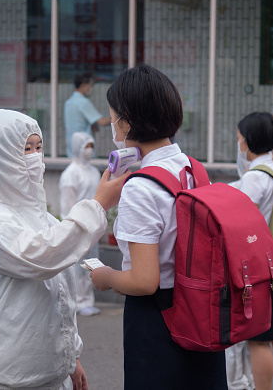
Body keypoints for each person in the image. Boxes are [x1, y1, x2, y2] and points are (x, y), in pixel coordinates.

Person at [0, 108, 127, 390]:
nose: (35, 156)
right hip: (6, 378)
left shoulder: (42, 218)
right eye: (26, 148)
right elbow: (40, 257)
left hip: (52, 374)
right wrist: (97, 206)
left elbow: (60, 296)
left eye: (38, 147)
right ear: (0, 156)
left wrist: (70, 356)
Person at [90, 64, 228, 390]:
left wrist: (105, 277)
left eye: (112, 119)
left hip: (158, 321)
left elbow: (144, 281)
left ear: (126, 121)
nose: (113, 127)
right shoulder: (194, 168)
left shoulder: (141, 187)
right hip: (201, 311)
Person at [238, 112, 273, 390]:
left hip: (261, 267)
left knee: (259, 339)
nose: (239, 144)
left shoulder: (254, 178)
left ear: (248, 142)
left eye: (240, 139)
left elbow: (239, 219)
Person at [60, 131, 102, 316]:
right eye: (86, 146)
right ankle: (77, 302)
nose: (89, 150)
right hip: (78, 226)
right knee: (77, 266)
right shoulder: (70, 174)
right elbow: (68, 204)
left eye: (91, 146)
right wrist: (73, 227)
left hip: (93, 226)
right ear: (77, 147)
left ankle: (88, 300)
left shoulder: (94, 172)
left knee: (90, 264)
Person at [64, 72, 111, 157]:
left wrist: (91, 124)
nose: (91, 88)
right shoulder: (83, 102)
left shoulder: (69, 102)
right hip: (84, 150)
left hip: (72, 149)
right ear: (83, 85)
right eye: (90, 85)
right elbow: (102, 122)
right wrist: (119, 117)